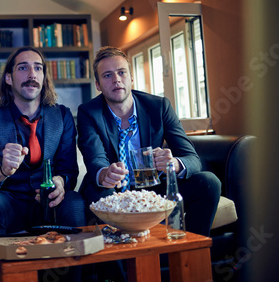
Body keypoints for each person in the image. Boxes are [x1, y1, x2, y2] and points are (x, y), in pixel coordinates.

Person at [78, 46, 221, 237]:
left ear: (131, 77)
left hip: (153, 189)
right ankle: (124, 263)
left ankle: (190, 253)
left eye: (122, 72)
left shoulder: (159, 107)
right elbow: (95, 159)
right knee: (103, 199)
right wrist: (105, 173)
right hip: (111, 191)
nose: (116, 80)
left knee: (209, 182)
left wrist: (175, 164)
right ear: (98, 84)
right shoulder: (88, 112)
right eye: (107, 75)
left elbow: (191, 158)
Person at [0, 46, 85, 235]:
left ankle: (70, 264)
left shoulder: (62, 115)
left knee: (75, 203)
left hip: (49, 200)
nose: (32, 74)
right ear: (8, 78)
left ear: (44, 78)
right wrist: (3, 170)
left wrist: (61, 182)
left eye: (38, 68)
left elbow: (68, 170)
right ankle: (4, 265)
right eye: (23, 68)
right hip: (9, 199)